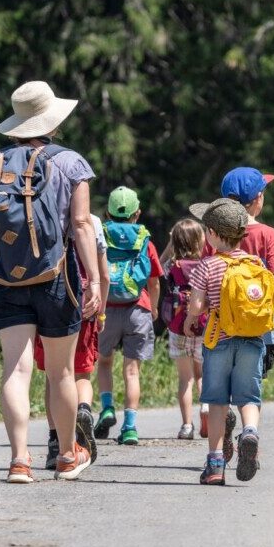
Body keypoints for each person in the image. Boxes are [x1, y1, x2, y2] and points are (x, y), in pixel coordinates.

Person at [0, 80, 100, 483]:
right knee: (61, 373)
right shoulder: (71, 163)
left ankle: (19, 460)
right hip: (56, 278)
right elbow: (80, 224)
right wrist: (94, 280)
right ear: (52, 119)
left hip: (5, 278)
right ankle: (66, 455)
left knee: (16, 368)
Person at [184, 198, 271, 486]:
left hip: (218, 340)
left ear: (211, 233)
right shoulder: (256, 263)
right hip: (251, 340)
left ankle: (216, 465)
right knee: (249, 397)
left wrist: (195, 312)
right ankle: (249, 433)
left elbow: (196, 307)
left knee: (218, 401)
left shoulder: (207, 265)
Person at [216, 167, 274, 461]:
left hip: (222, 324)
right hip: (259, 323)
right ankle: (249, 433)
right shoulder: (267, 234)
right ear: (257, 200)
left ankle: (223, 421)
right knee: (252, 383)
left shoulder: (216, 233)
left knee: (221, 381)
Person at [36, 212, 110, 470]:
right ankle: (84, 409)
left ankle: (55, 441)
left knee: (53, 376)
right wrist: (100, 310)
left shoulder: (42, 214)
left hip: (49, 299)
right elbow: (105, 274)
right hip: (86, 301)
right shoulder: (92, 223)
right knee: (81, 375)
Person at [93, 186, 163, 446]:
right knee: (132, 371)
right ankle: (130, 427)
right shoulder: (145, 240)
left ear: (107, 214)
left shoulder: (100, 236)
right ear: (138, 213)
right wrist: (153, 308)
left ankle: (108, 407)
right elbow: (154, 282)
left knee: (104, 362)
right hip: (138, 307)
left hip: (106, 309)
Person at [161, 218, 208, 439]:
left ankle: (186, 426)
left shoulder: (173, 265)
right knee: (201, 373)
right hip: (202, 325)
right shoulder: (206, 263)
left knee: (185, 378)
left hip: (178, 326)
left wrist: (170, 244)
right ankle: (206, 406)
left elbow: (159, 267)